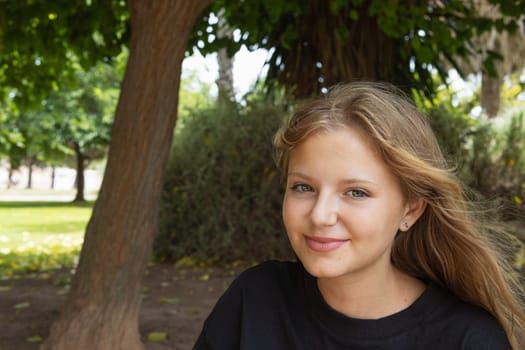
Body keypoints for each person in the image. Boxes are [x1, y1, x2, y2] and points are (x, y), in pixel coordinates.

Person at [193, 82, 525, 349]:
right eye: (303, 187)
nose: (321, 215)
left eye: (356, 192)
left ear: (410, 209)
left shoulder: (469, 339)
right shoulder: (254, 299)